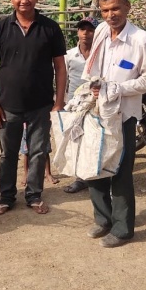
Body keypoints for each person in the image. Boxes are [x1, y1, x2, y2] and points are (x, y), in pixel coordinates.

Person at [0, 0, 67, 215]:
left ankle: (34, 195)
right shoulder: (0, 28)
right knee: (8, 153)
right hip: (7, 104)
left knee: (38, 151)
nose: (24, 0)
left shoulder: (50, 28)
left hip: (40, 104)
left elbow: (60, 68)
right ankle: (6, 196)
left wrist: (59, 101)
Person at [83, 0, 146, 248]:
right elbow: (94, 65)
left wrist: (118, 89)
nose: (110, 14)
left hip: (124, 114)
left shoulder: (140, 39)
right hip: (98, 110)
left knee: (121, 171)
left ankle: (123, 229)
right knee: (96, 165)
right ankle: (103, 219)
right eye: (105, 10)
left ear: (127, 6)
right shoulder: (102, 31)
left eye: (115, 8)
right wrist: (95, 86)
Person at [63, 16, 98, 194]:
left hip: (96, 103)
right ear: (77, 32)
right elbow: (63, 79)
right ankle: (80, 178)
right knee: (76, 140)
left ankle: (95, 176)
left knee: (94, 140)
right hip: (74, 104)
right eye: (82, 29)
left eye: (90, 30)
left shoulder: (101, 54)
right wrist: (61, 102)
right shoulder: (69, 55)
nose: (86, 33)